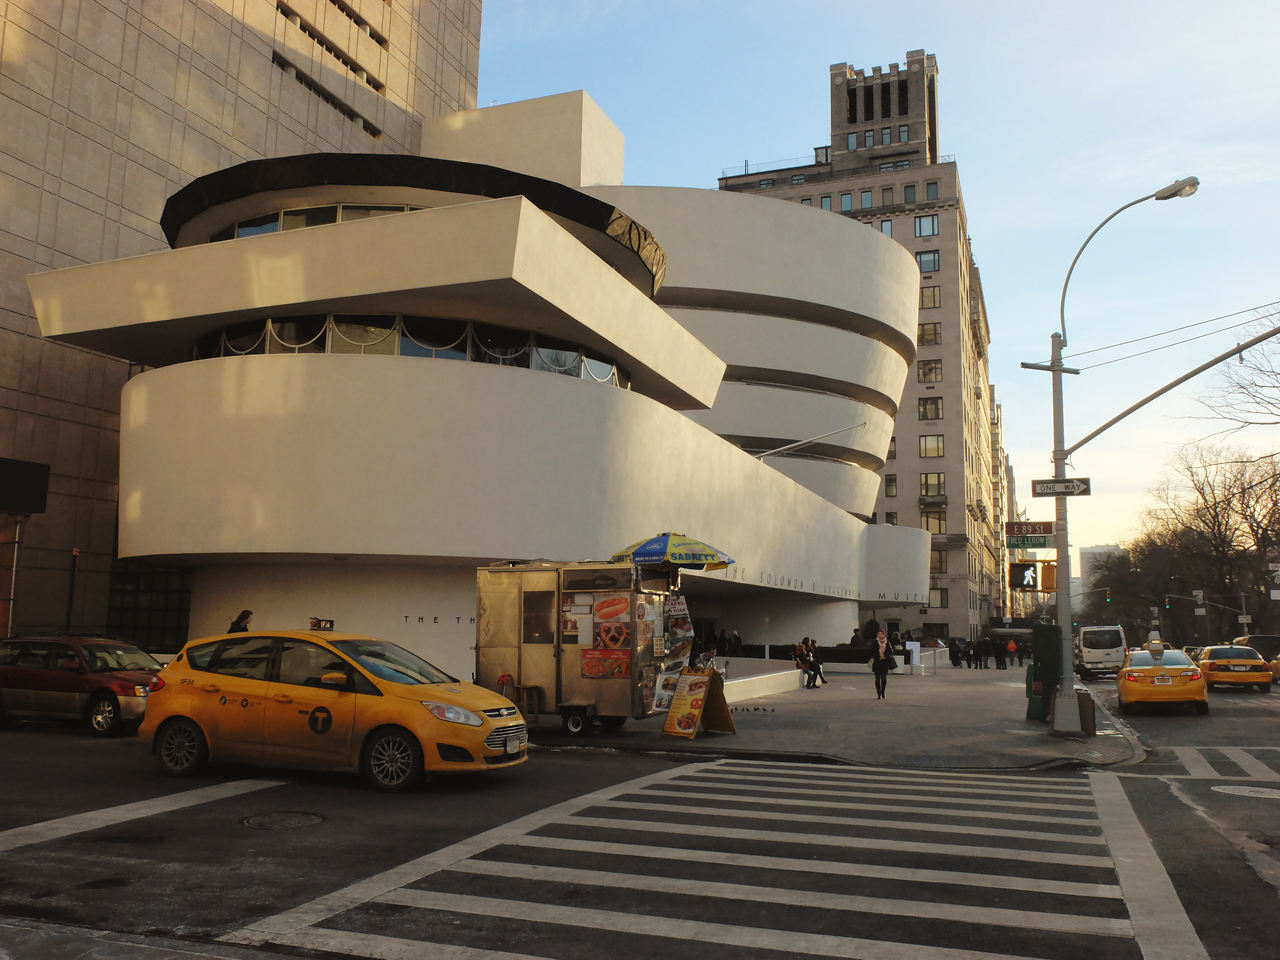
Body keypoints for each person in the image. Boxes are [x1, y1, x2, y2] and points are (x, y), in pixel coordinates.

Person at [870, 630, 894, 699]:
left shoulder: (887, 643)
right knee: (877, 679)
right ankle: (878, 694)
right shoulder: (875, 643)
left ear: (884, 635)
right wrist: (878, 657)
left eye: (881, 634)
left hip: (884, 663)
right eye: (879, 634)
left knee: (883, 679)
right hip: (877, 663)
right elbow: (871, 652)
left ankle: (883, 691)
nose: (880, 635)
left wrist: (886, 656)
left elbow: (891, 652)